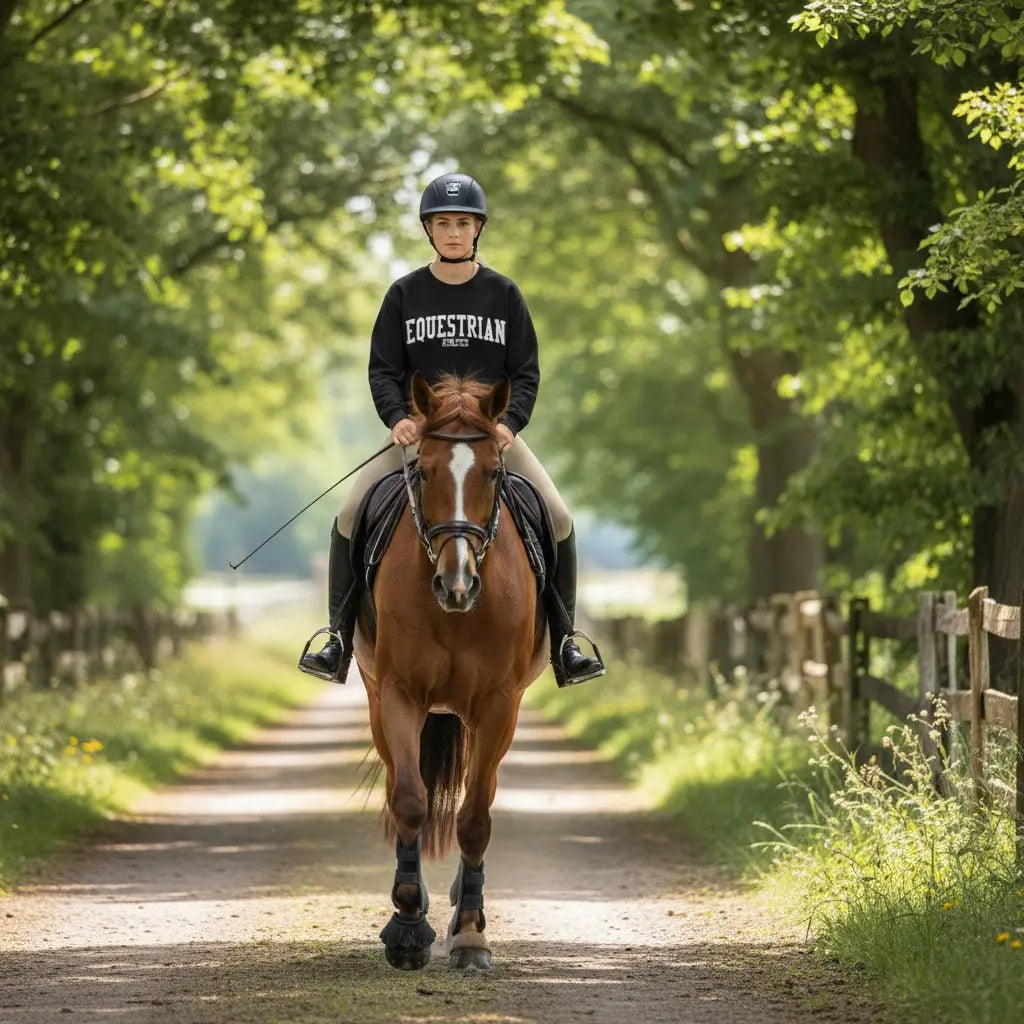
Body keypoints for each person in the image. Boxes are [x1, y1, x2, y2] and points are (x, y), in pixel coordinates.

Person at [299, 172, 604, 687]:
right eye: (443, 223)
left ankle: (567, 643)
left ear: (478, 228)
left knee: (559, 517)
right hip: (420, 433)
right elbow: (382, 369)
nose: (454, 232)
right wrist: (397, 417)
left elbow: (525, 372)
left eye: (463, 223)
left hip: (489, 435)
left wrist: (509, 423)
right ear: (429, 230)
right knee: (349, 514)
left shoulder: (504, 294)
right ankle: (337, 639)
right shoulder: (404, 294)